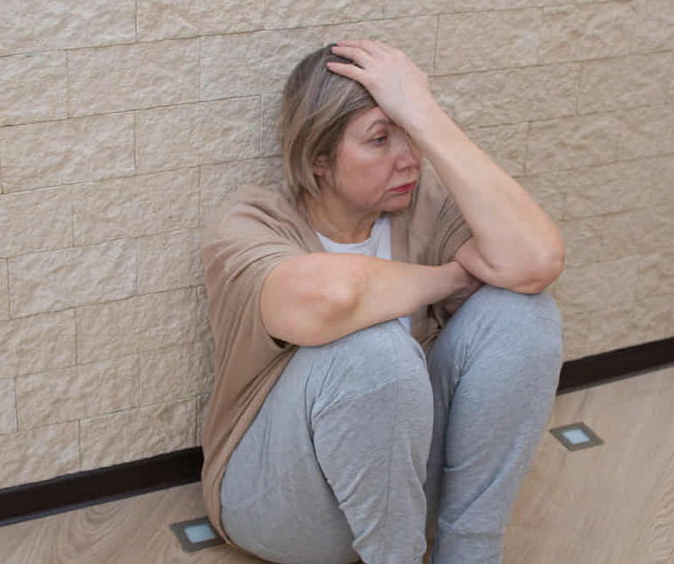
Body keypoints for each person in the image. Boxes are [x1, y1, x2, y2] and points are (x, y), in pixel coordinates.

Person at [200, 40, 565, 564]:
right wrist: (449, 277)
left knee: (524, 314)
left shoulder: (423, 208)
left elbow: (537, 262)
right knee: (373, 349)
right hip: (280, 502)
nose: (409, 159)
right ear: (318, 157)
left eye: (409, 134)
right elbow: (332, 299)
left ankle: (469, 553)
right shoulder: (250, 224)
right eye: (379, 139)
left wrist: (425, 113)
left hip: (403, 486)